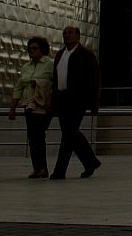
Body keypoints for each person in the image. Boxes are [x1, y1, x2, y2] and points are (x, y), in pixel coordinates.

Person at [50, 25, 102, 179]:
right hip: (62, 100)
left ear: (78, 36)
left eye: (70, 32)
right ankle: (90, 161)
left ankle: (59, 171)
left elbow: (94, 80)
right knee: (70, 134)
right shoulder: (60, 54)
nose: (67, 35)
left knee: (68, 134)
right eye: (64, 33)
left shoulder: (86, 55)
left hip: (77, 100)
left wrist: (94, 103)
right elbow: (55, 79)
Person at [7, 36, 55, 179]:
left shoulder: (50, 64)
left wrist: (39, 83)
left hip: (42, 106)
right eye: (29, 49)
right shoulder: (26, 67)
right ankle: (37, 168)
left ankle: (42, 168)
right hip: (28, 106)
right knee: (32, 137)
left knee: (39, 136)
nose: (31, 51)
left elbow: (55, 84)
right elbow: (18, 88)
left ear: (42, 49)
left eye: (34, 48)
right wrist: (13, 108)